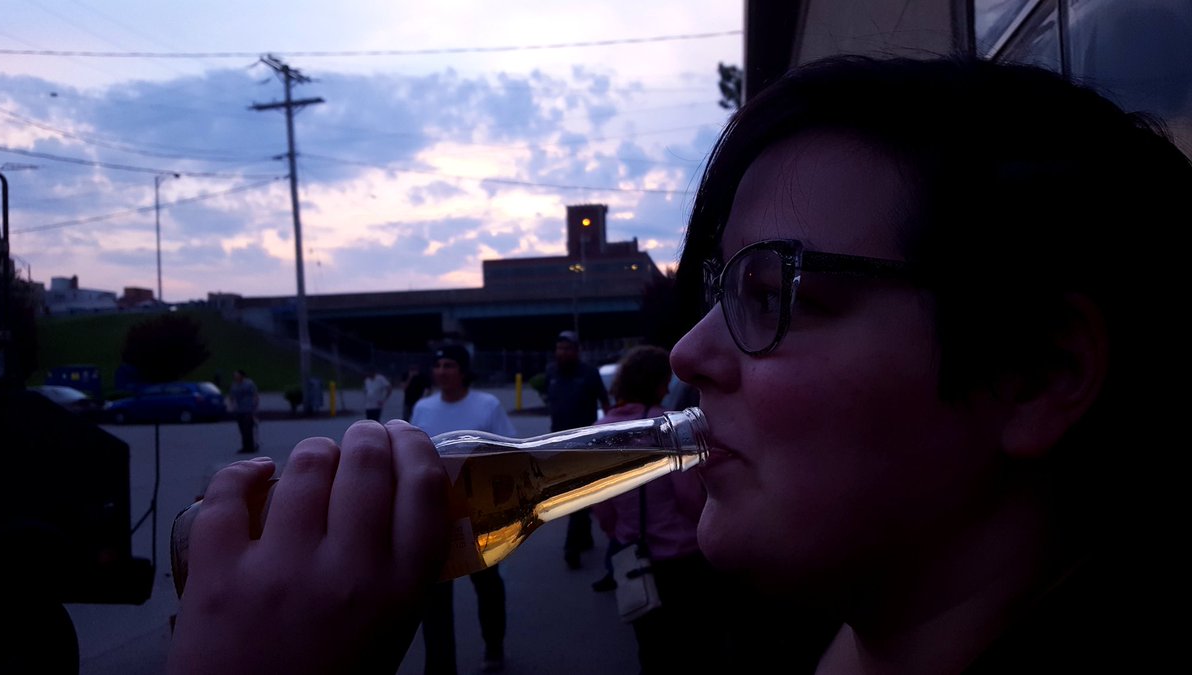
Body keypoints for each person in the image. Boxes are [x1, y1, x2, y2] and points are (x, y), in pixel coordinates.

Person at [167, 55, 1189, 674]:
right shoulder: (785, 635)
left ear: (1037, 373)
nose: (692, 352)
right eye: (716, 291)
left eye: (772, 293)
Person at [590, 345, 735, 673]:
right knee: (694, 643)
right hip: (681, 556)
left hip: (632, 554)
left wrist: (618, 532)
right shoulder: (668, 428)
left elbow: (602, 505)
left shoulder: (602, 430)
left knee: (651, 646)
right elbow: (689, 499)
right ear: (657, 383)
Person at [410, 344, 515, 674]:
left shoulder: (488, 405)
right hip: (435, 513)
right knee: (435, 597)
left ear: (464, 370)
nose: (442, 371)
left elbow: (509, 454)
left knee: (487, 584)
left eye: (450, 365)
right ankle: (440, 666)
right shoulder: (423, 407)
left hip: (480, 515)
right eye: (438, 365)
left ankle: (494, 644)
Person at [545, 330, 610, 569]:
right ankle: (585, 535)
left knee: (575, 492)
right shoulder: (551, 373)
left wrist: (608, 433)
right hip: (558, 443)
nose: (563, 352)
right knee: (574, 491)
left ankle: (571, 548)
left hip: (585, 443)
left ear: (576, 351)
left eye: (568, 348)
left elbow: (605, 403)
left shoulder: (590, 374)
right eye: (559, 348)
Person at [226, 369, 258, 454]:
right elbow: (231, 396)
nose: (235, 377)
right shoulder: (234, 385)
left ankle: (251, 446)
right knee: (242, 429)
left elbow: (255, 394)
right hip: (239, 410)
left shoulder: (249, 383)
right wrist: (232, 405)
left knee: (248, 428)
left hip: (248, 409)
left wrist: (255, 406)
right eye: (235, 375)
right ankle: (245, 446)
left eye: (237, 375)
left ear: (242, 376)